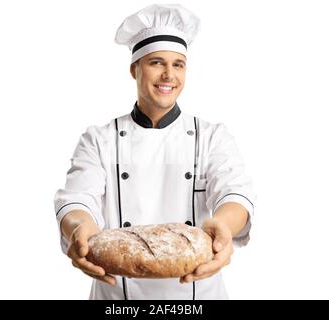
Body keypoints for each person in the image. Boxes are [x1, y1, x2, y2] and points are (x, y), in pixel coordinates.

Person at [54, 4, 256, 300]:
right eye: (156, 62)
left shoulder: (212, 136)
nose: (168, 75)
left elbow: (234, 194)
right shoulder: (99, 139)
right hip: (119, 301)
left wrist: (223, 226)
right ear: (134, 69)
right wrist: (80, 228)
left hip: (196, 298)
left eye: (178, 64)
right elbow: (77, 199)